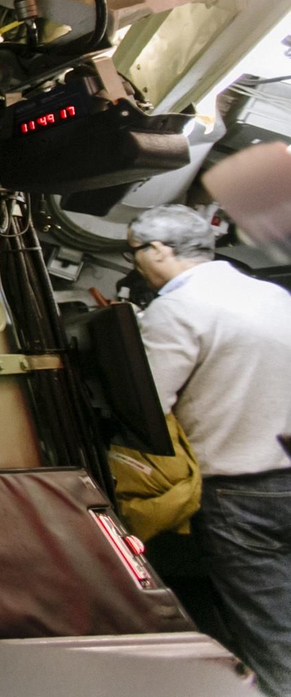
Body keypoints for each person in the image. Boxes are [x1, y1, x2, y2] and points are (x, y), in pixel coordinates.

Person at [126, 204, 291, 695]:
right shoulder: (274, 296)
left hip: (238, 493)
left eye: (134, 251)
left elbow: (147, 406)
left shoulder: (176, 310)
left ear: (158, 249)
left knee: (272, 627)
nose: (135, 263)